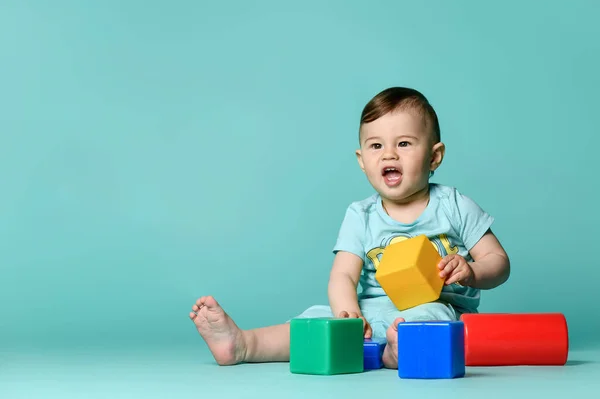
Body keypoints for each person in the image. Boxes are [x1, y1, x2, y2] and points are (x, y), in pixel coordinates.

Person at [189, 87, 511, 369]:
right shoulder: (362, 214)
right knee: (317, 319)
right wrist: (348, 314)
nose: (389, 154)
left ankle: (398, 350)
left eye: (404, 143)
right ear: (361, 160)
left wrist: (470, 271)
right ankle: (244, 344)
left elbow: (498, 262)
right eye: (376, 146)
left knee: (430, 321)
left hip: (438, 306)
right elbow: (343, 275)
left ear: (434, 157)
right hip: (372, 308)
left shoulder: (453, 205)